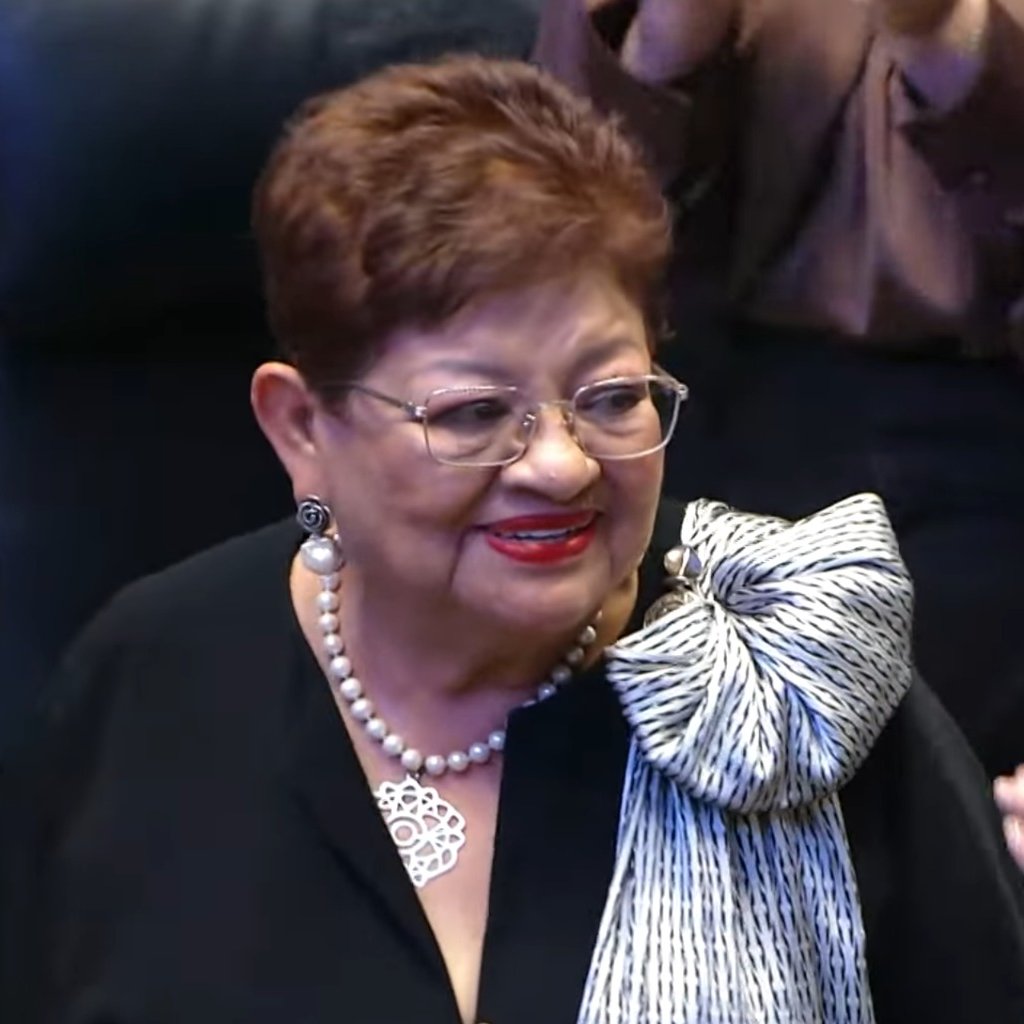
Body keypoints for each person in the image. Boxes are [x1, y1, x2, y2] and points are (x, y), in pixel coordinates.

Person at [2, 55, 1024, 1024]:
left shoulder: (793, 672)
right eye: (474, 415)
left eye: (612, 397)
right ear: (303, 430)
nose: (562, 465)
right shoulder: (152, 679)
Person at [534, 0, 1024, 779]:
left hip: (986, 438)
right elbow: (555, 228)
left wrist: (945, 37)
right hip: (704, 405)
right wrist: (669, 37)